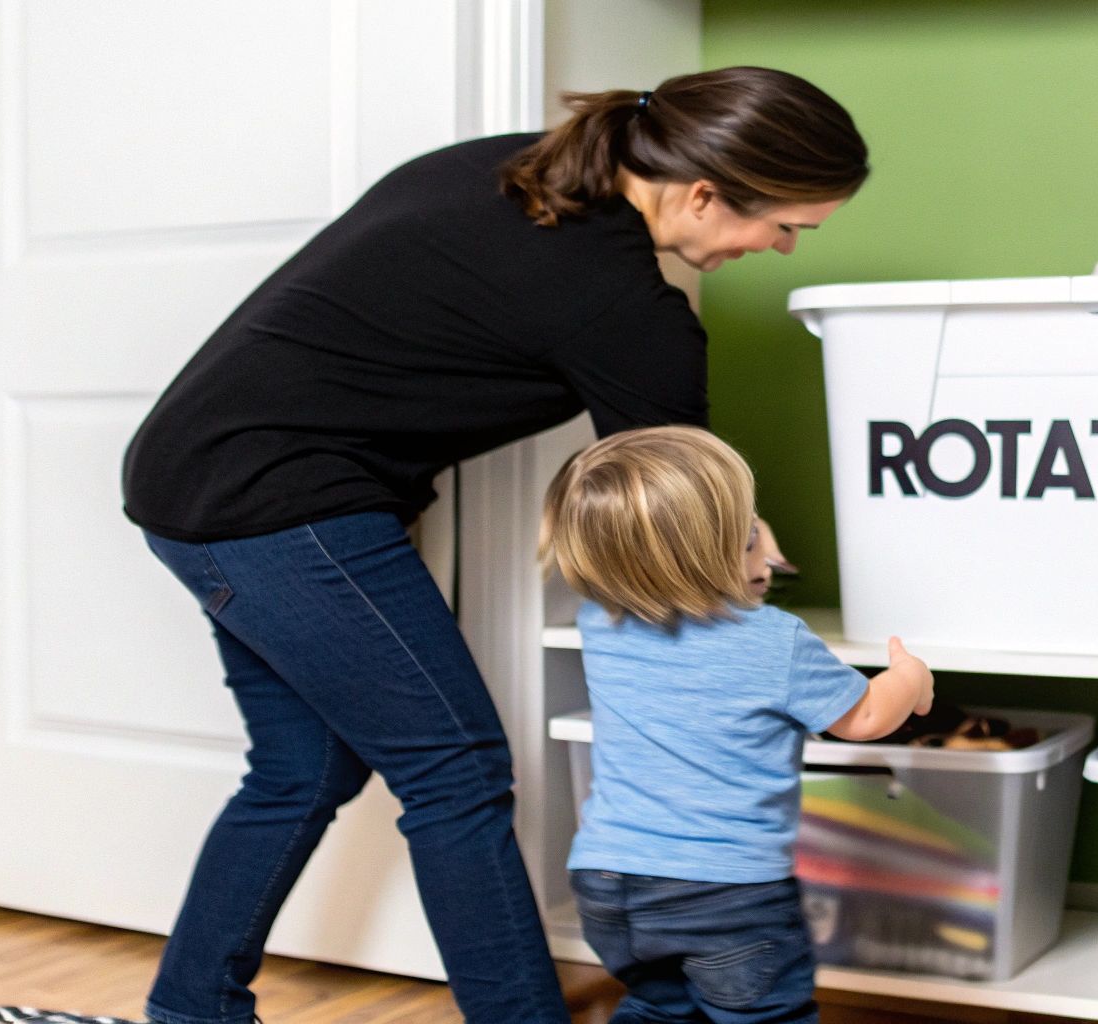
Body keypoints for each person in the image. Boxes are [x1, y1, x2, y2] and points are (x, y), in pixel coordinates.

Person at [120, 66, 868, 1024]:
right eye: (785, 226)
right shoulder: (622, 306)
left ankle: (190, 1010)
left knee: (303, 768)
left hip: (191, 471)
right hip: (275, 500)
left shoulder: (521, 169)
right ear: (703, 191)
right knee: (457, 770)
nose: (777, 248)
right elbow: (690, 522)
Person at [540, 426, 934, 1024]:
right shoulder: (775, 642)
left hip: (606, 884)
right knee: (764, 1016)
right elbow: (868, 717)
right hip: (728, 898)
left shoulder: (602, 621)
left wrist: (740, 541)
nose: (766, 556)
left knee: (658, 1007)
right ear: (708, 555)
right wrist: (910, 677)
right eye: (750, 540)